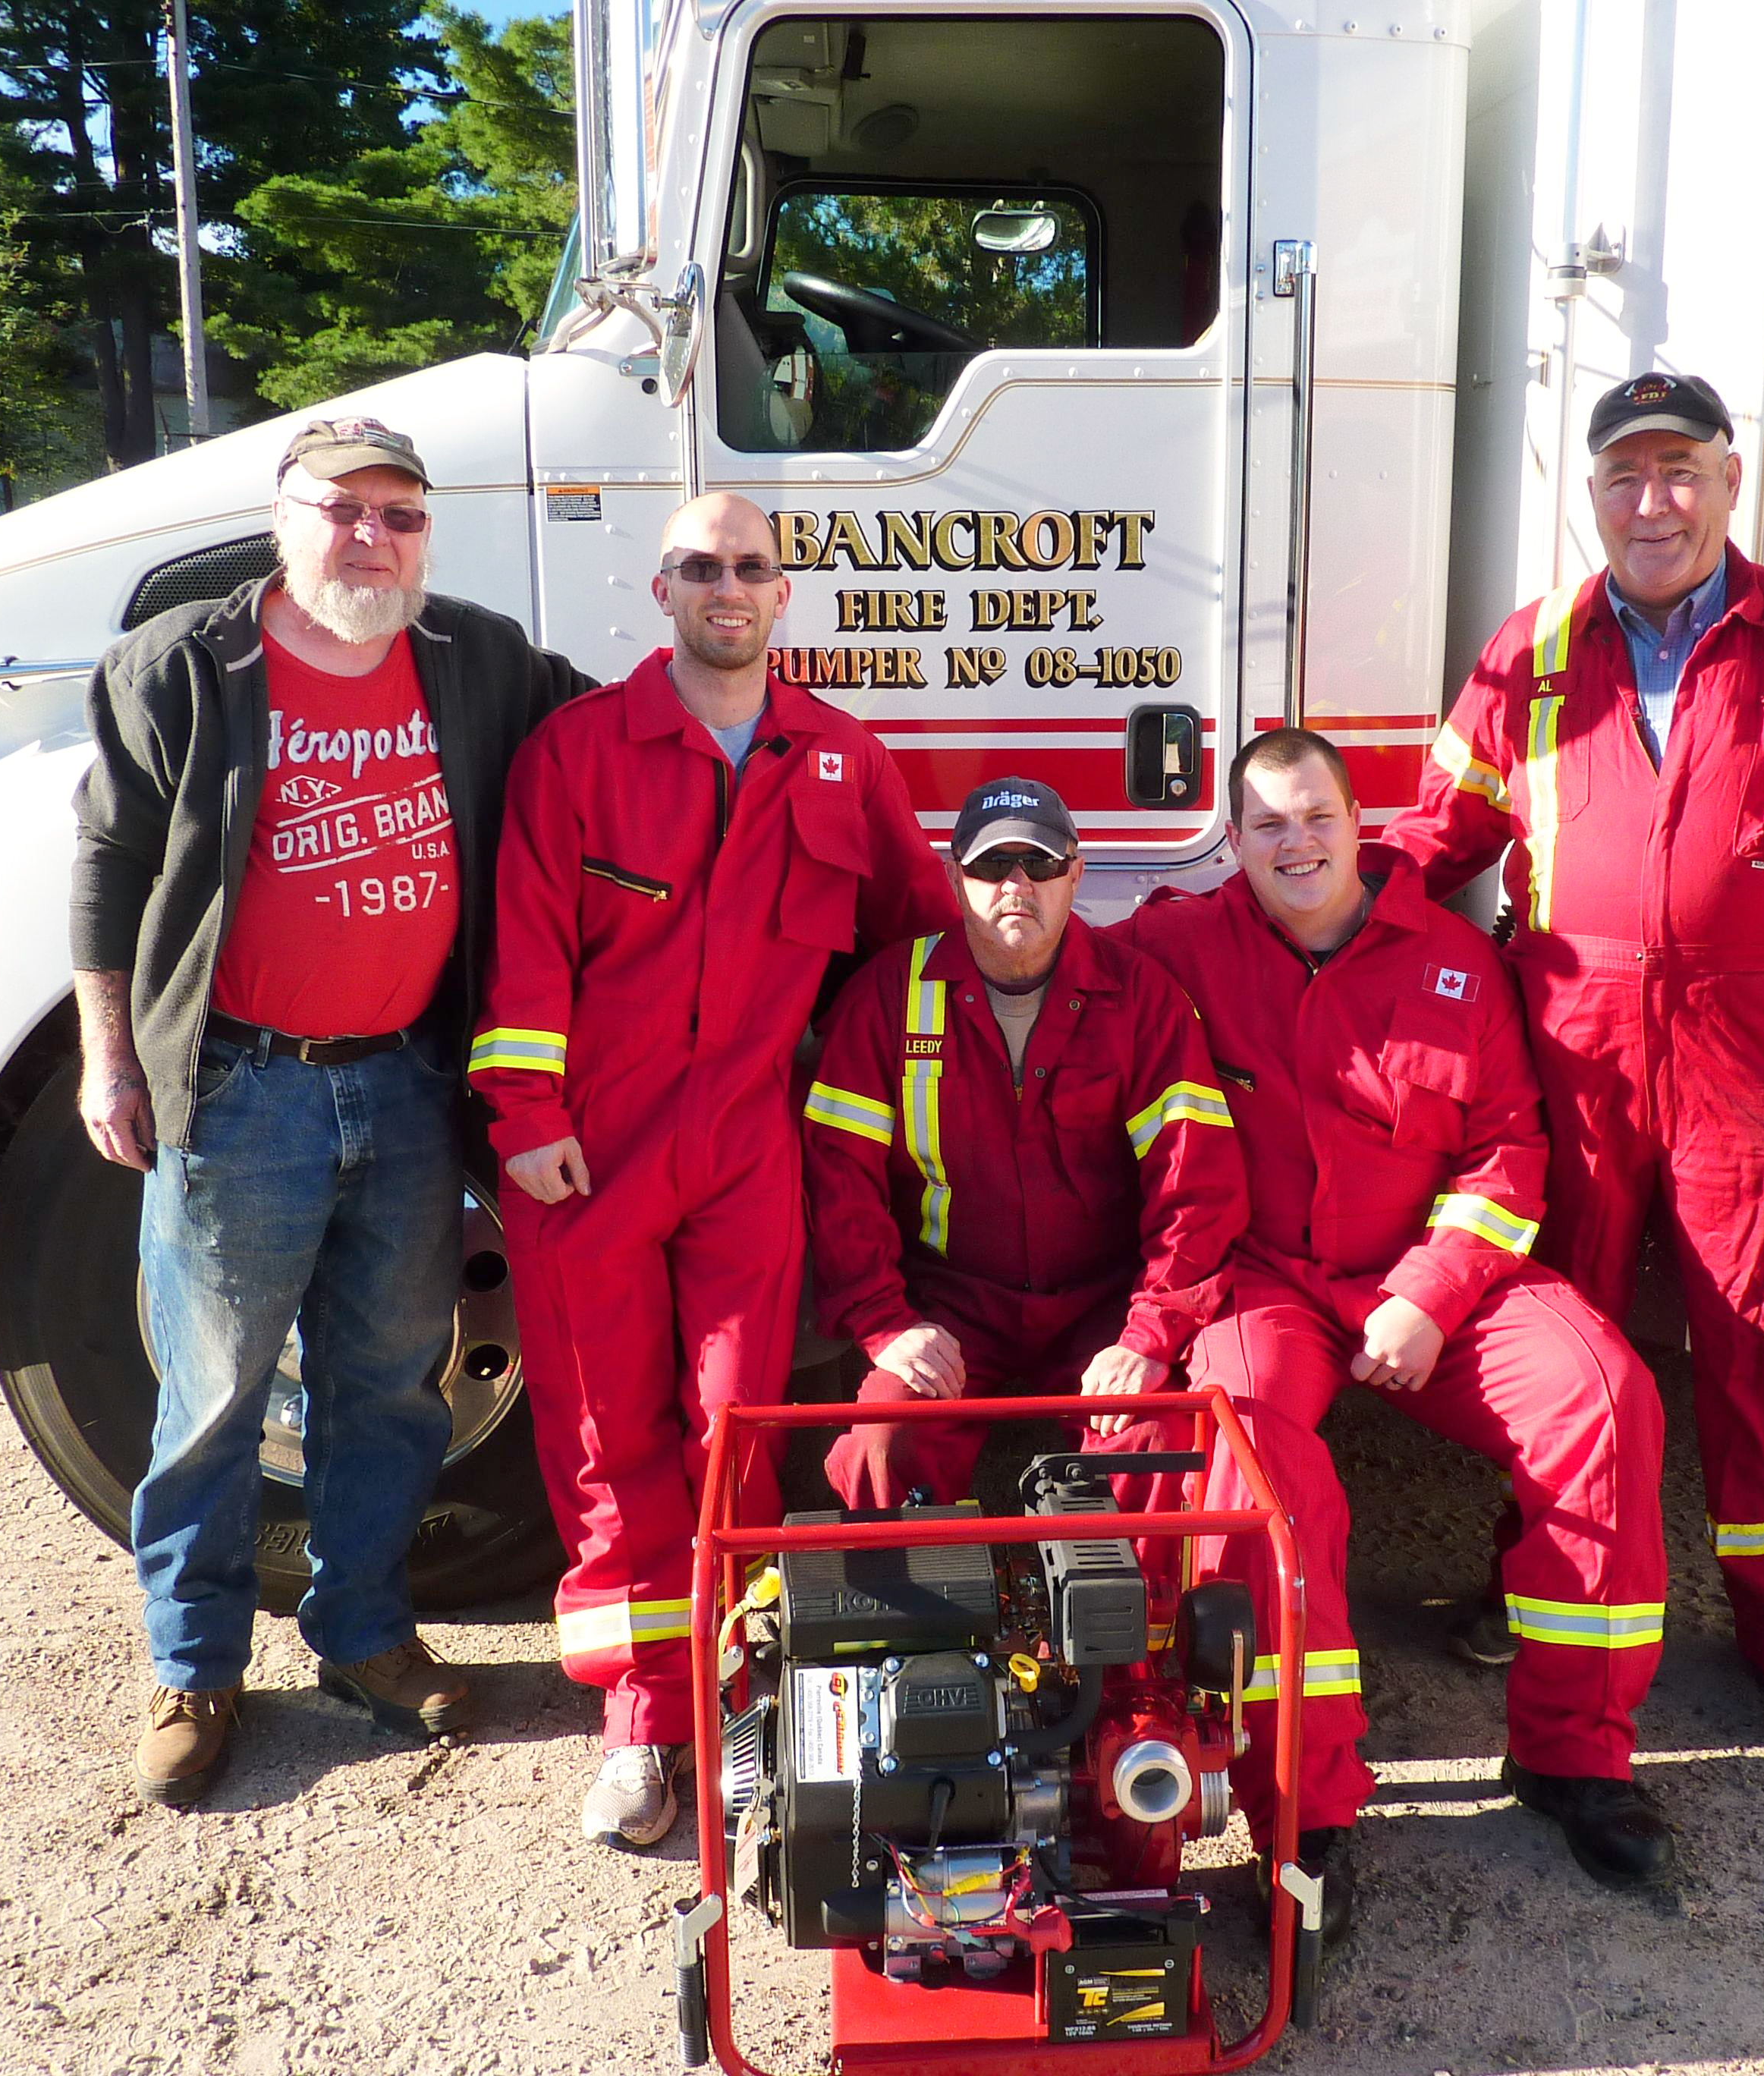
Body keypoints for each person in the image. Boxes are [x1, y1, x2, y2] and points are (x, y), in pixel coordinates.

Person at [1387, 370, 1764, 1748]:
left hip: (1756, 1046)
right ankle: (1537, 1584)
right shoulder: (1529, 649)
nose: (1654, 502)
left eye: (1680, 471)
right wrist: (1296, 909)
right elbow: (1438, 840)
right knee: (1557, 1344)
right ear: (1590, 497)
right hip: (1569, 1044)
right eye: (1625, 477)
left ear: (1728, 481)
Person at [72, 414, 586, 1806]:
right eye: (340, 508)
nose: (370, 536)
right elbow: (109, 862)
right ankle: (194, 1667)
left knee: (388, 1387)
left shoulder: (476, 658)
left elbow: (623, 730)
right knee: (215, 1396)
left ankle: (364, 1637)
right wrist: (108, 1056)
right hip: (242, 1086)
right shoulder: (185, 666)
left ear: (426, 535)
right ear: (282, 520)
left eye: (399, 514)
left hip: (410, 1080)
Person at [1115, 728, 1675, 1916]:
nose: (1296, 844)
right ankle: (1302, 1802)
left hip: (1431, 1279)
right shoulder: (1179, 944)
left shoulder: (1455, 959)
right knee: (1253, 1465)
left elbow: (1507, 1148)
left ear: (1356, 822)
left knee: (1603, 1399)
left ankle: (1577, 1758)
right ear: (1232, 841)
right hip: (1265, 1280)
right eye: (1268, 824)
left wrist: (1431, 1293)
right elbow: (1041, 961)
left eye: (1316, 816)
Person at [471, 492, 954, 1852]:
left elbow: (918, 941)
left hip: (748, 1144)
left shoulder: (840, 760)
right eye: (699, 566)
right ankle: (640, 1723)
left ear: (782, 593)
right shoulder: (579, 751)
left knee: (735, 1424)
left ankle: (738, 1693)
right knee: (605, 1439)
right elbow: (524, 948)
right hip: (589, 1150)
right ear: (662, 590)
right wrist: (525, 1113)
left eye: (749, 567)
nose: (725, 587)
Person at [802, 777, 1247, 1511]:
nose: (1017, 885)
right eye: (991, 865)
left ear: (1076, 874)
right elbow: (839, 1180)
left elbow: (1195, 1188)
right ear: (955, 878)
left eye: (1040, 864)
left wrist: (1147, 1336)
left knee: (1151, 1445)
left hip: (1104, 1304)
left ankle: (1124, 1588)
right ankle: (909, 1588)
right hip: (952, 1302)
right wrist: (887, 1325)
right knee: (881, 1445)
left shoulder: (1143, 999)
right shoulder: (888, 997)